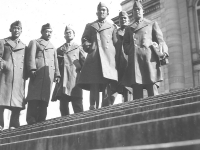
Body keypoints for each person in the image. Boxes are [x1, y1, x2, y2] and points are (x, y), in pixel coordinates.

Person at [122, 0, 169, 100]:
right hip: (135, 62)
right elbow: (125, 44)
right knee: (137, 95)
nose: (137, 11)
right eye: (134, 10)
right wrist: (131, 50)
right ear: (132, 13)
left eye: (138, 9)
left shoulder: (151, 24)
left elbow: (161, 41)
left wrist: (164, 51)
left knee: (153, 92)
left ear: (143, 11)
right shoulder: (128, 28)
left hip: (149, 61)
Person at [78, 2, 118, 110]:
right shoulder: (90, 26)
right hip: (94, 58)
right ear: (97, 12)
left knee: (106, 83)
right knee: (94, 83)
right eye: (100, 10)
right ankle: (93, 106)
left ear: (107, 13)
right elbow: (84, 39)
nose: (102, 12)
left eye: (104, 10)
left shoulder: (112, 27)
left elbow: (116, 42)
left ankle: (105, 106)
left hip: (108, 58)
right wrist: (89, 47)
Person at [26, 23, 60, 125]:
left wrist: (57, 74)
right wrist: (32, 69)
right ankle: (31, 118)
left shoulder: (53, 47)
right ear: (42, 32)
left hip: (47, 76)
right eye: (47, 31)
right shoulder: (35, 42)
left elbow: (55, 62)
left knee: (44, 98)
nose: (49, 34)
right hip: (37, 74)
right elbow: (30, 56)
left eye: (51, 32)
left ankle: (41, 118)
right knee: (34, 97)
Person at [51, 25, 85, 116]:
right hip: (63, 80)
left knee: (77, 105)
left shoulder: (78, 47)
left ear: (74, 34)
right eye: (66, 33)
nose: (68, 34)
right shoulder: (59, 50)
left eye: (70, 32)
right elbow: (55, 65)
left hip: (75, 79)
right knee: (63, 106)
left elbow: (84, 63)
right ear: (64, 36)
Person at [101, 11, 132, 107]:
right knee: (110, 92)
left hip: (127, 65)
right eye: (121, 18)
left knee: (127, 91)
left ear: (128, 20)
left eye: (125, 18)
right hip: (115, 65)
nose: (122, 20)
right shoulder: (115, 32)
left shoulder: (131, 30)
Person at [0, 21, 27, 130]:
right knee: (1, 100)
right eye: (14, 28)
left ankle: (14, 124)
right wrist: (3, 64)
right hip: (5, 76)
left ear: (21, 31)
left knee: (17, 102)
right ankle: (0, 124)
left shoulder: (24, 46)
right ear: (10, 30)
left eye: (18, 28)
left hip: (18, 78)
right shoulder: (3, 42)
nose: (16, 30)